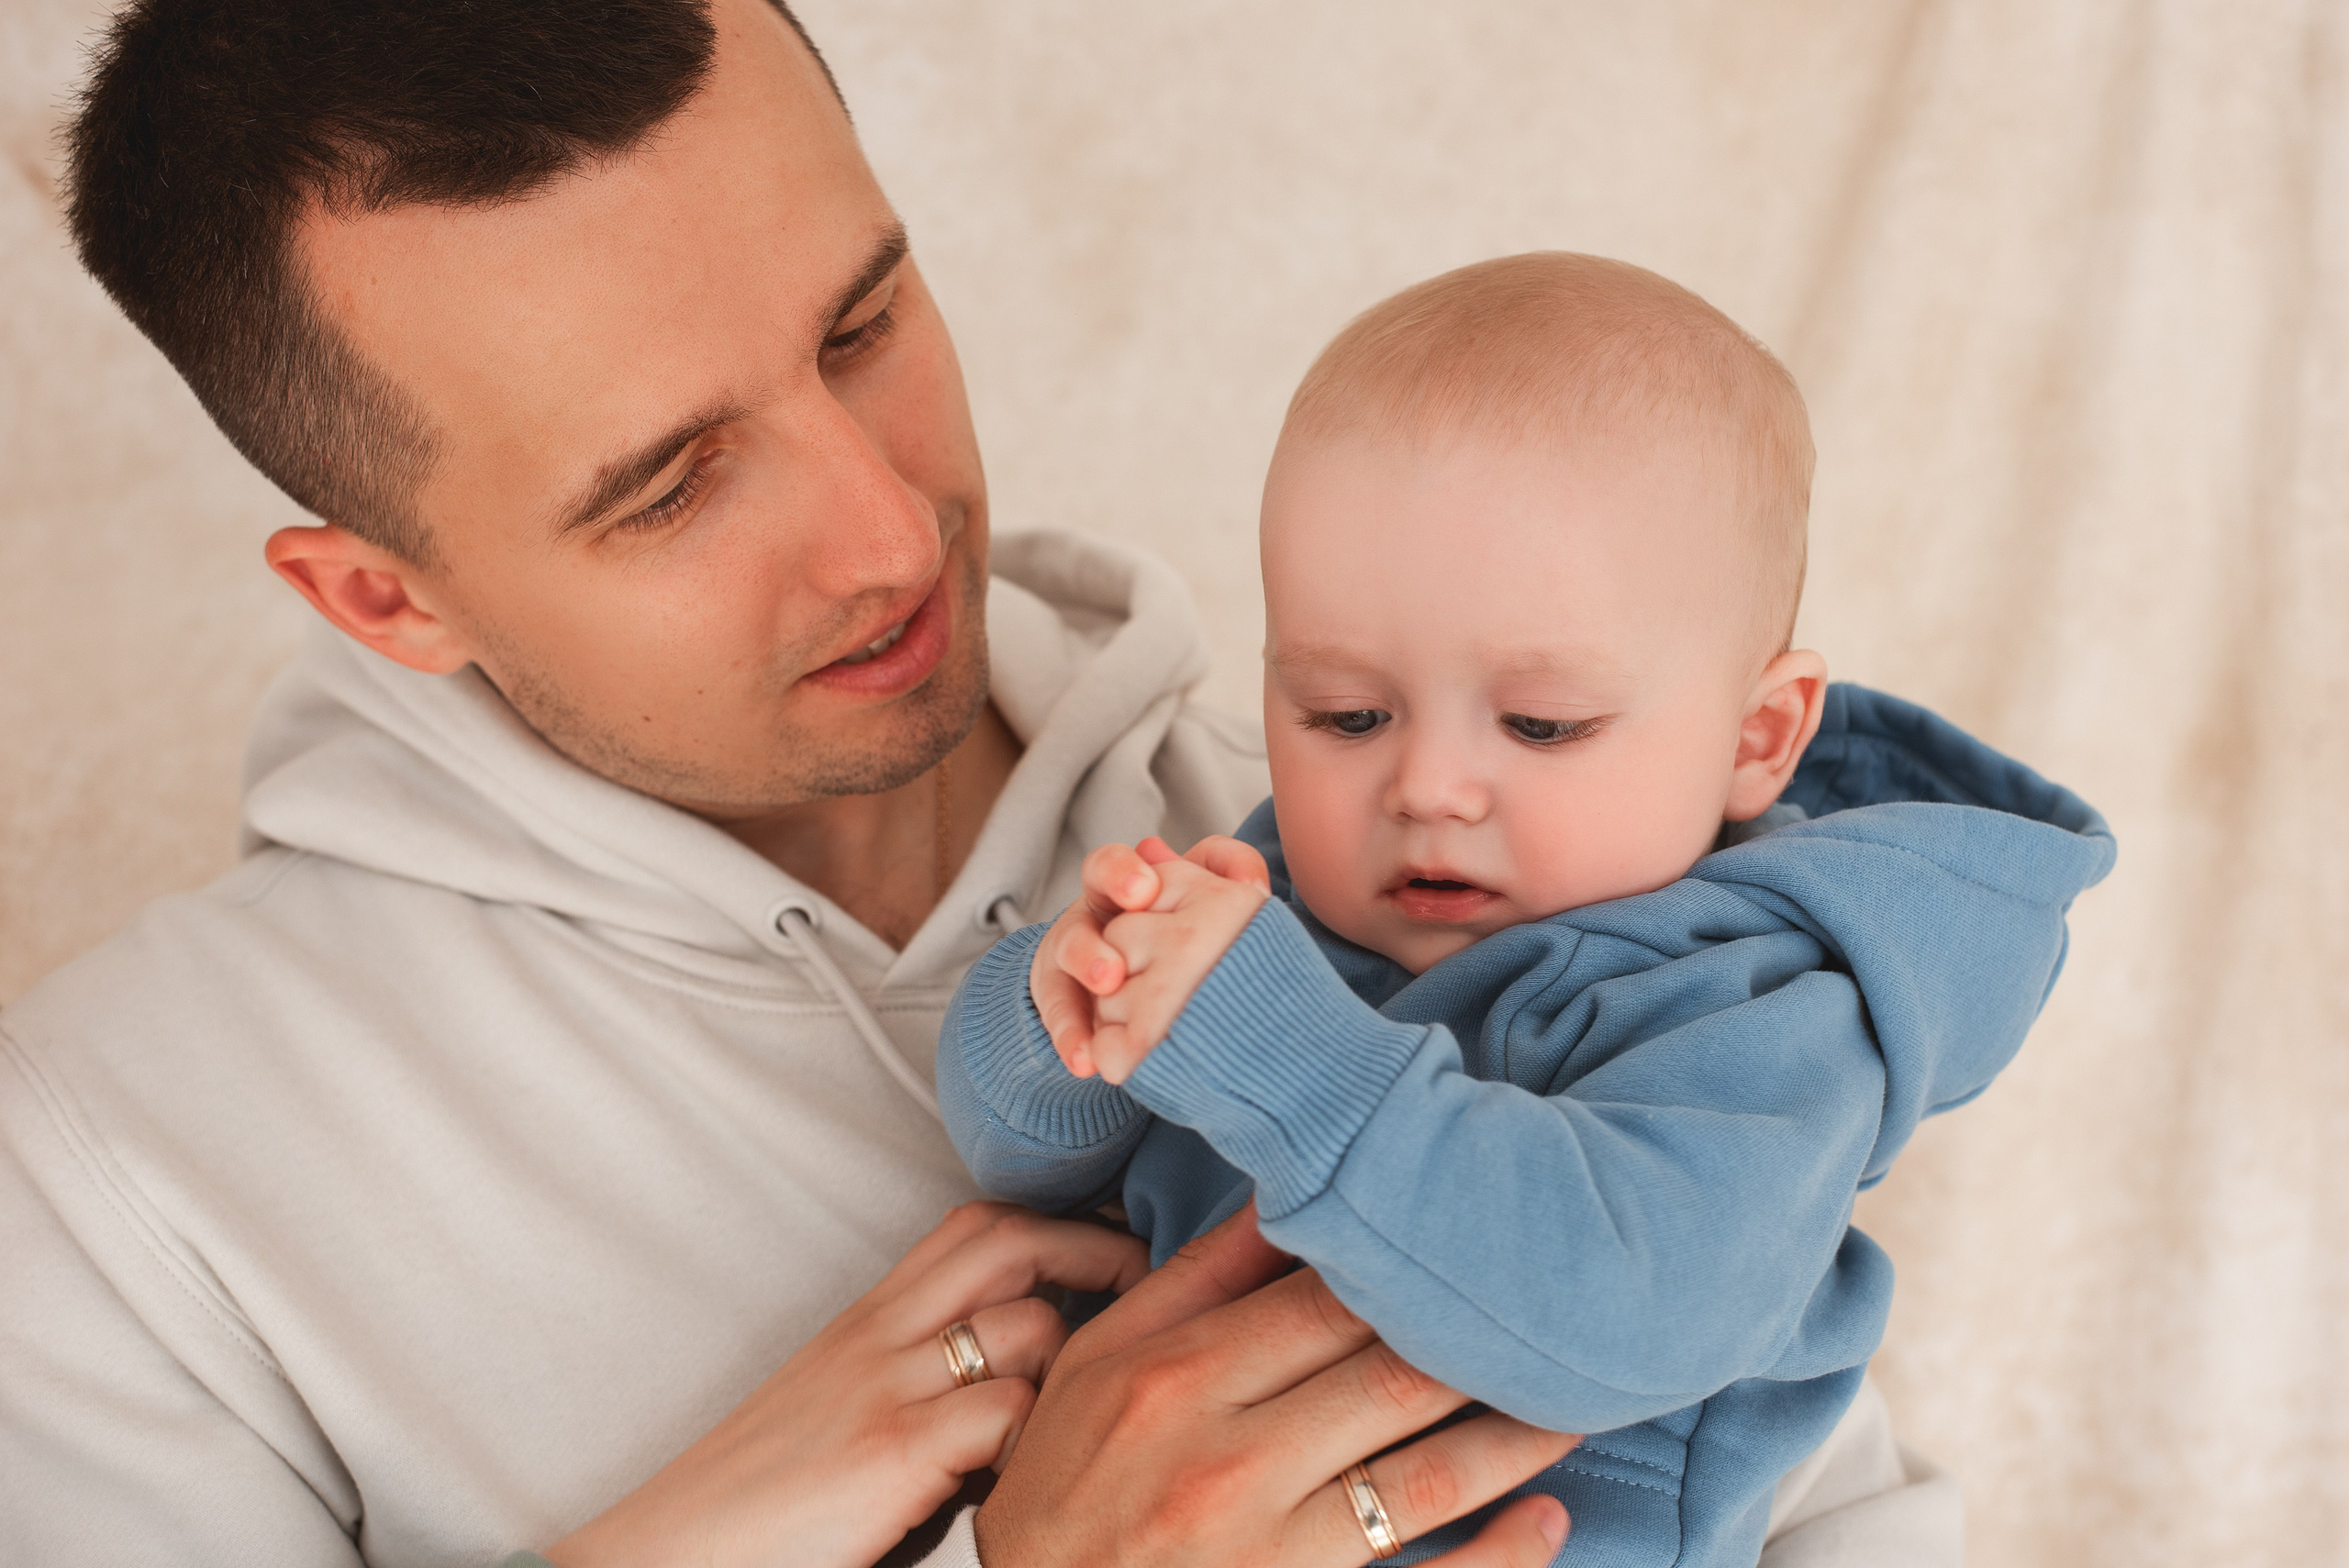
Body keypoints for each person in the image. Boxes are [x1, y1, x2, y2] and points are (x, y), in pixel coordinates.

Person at [0, 1, 1955, 1562]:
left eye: (862, 324)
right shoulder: (115, 1180)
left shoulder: (1430, 847)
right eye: (670, 486)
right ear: (384, 597)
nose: (886, 533)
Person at [941, 255, 2115, 1564]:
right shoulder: (1267, 901)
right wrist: (1066, 1011)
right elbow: (1019, 1165)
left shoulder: (1760, 1008)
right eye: (1346, 714)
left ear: (1757, 736)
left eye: (1542, 724)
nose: (1427, 787)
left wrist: (1290, 1059)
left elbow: (1626, 1309)